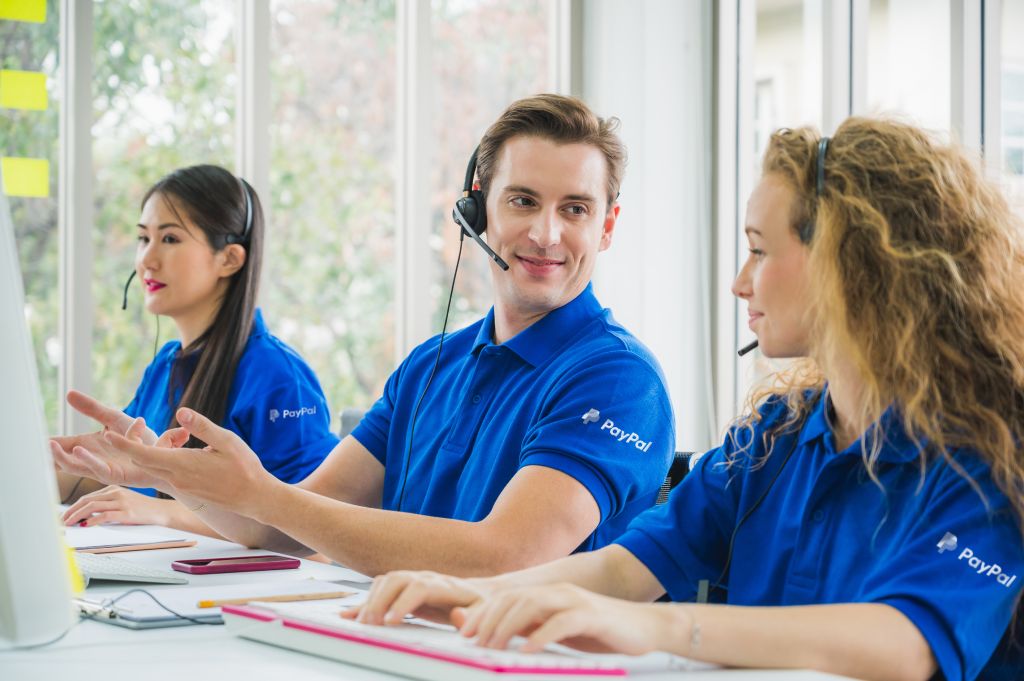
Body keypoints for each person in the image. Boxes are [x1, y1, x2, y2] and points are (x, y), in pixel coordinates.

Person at [344, 118, 1024, 681]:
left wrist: (658, 625)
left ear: (852, 264)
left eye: (759, 250)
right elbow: (624, 566)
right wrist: (476, 594)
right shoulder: (775, 436)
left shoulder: (991, 457)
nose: (739, 282)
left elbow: (904, 642)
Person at [53, 95, 676, 577]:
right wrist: (183, 478)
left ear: (607, 226)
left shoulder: (618, 378)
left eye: (575, 209)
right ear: (476, 211)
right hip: (395, 640)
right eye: (522, 201)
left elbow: (506, 557)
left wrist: (261, 495)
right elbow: (281, 528)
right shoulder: (431, 365)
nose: (546, 233)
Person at [55, 164, 339, 537]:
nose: (147, 260)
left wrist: (161, 511)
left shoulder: (279, 377)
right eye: (143, 239)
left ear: (230, 259)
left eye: (170, 239)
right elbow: (120, 482)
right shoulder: (165, 365)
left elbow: (308, 524)